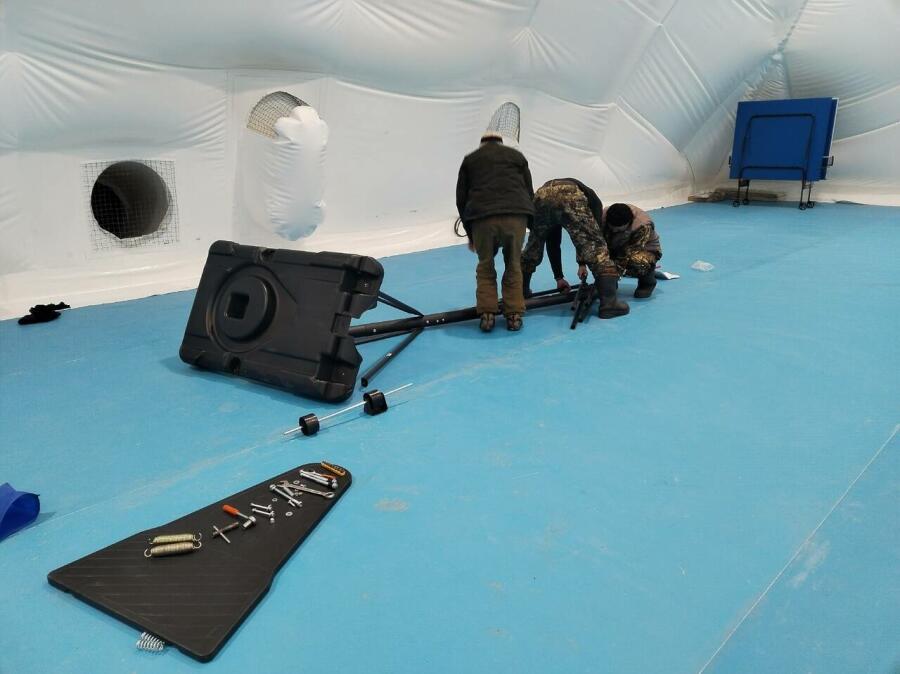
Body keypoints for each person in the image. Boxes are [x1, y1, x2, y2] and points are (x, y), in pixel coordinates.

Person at [456, 132, 535, 332]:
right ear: (500, 141)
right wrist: (530, 222)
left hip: (483, 219)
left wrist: (470, 234)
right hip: (515, 217)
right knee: (514, 264)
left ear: (482, 143)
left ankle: (487, 315)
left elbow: (461, 199)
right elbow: (529, 191)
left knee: (485, 265)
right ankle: (514, 315)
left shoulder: (471, 159)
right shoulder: (517, 156)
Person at [520, 178, 629, 319]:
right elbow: (589, 239)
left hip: (542, 196)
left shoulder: (554, 195)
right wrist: (582, 263)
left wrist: (559, 277)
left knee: (533, 249)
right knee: (597, 249)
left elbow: (552, 242)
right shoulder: (595, 203)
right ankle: (609, 304)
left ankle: (522, 291)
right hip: (570, 193)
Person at [596, 202, 662, 299]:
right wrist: (582, 264)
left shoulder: (642, 225)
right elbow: (590, 241)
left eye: (618, 230)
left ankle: (647, 282)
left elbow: (628, 253)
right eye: (612, 228)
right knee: (596, 255)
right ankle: (609, 283)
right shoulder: (601, 217)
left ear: (629, 223)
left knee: (637, 260)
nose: (614, 231)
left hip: (644, 249)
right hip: (615, 246)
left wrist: (612, 275)